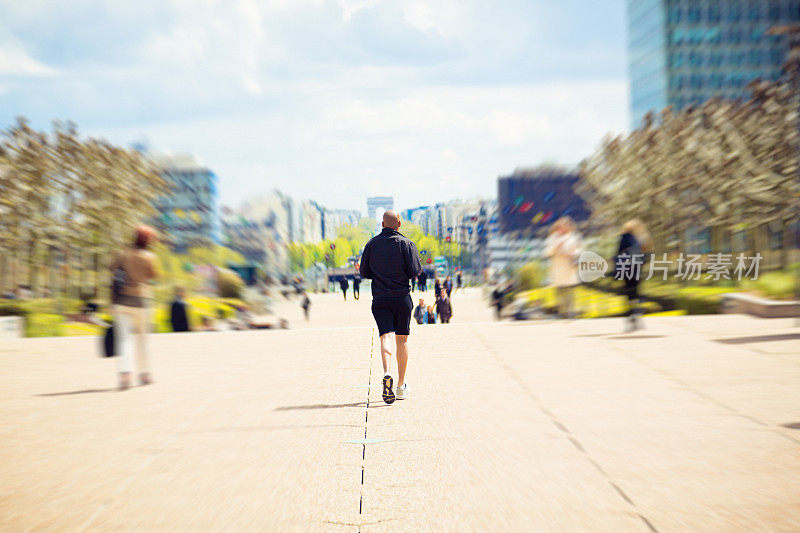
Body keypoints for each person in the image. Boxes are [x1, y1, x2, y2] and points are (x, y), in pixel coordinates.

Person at [359, 210, 422, 404]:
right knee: (402, 340)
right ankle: (401, 386)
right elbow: (414, 271)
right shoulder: (407, 244)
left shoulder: (371, 244)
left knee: (384, 336)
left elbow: (364, 272)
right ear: (399, 225)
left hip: (380, 298)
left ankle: (387, 373)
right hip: (402, 297)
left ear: (382, 224)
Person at [110, 225, 159, 390]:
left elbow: (112, 270)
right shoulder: (149, 257)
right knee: (142, 339)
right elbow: (154, 275)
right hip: (141, 302)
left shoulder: (123, 254)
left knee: (125, 339)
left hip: (121, 301)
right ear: (149, 241)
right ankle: (144, 374)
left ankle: (125, 374)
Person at [615, 218, 652, 332]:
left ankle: (632, 318)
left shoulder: (625, 237)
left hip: (626, 267)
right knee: (635, 292)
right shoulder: (641, 237)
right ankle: (636, 316)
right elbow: (647, 253)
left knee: (629, 293)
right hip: (636, 268)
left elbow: (618, 253)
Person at [545, 216, 582, 319]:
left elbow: (579, 250)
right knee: (560, 290)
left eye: (565, 226)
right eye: (561, 226)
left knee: (570, 290)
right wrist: (556, 247)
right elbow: (547, 252)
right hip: (558, 266)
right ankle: (563, 312)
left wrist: (572, 253)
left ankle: (571, 312)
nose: (563, 228)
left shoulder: (574, 237)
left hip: (569, 265)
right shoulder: (552, 238)